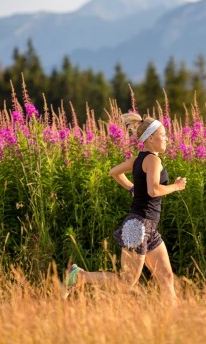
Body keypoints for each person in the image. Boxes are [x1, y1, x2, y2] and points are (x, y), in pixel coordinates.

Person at [67, 113, 187, 302]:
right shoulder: (154, 160)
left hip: (148, 228)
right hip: (138, 227)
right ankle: (79, 276)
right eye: (163, 135)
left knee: (166, 278)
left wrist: (133, 188)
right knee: (126, 283)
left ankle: (175, 321)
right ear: (150, 138)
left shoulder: (139, 159)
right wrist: (176, 186)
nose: (166, 139)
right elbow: (154, 190)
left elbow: (114, 172)